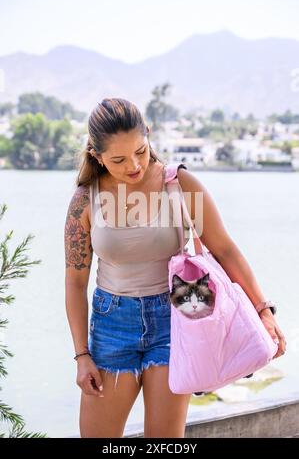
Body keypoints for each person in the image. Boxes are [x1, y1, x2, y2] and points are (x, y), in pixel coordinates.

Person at [64, 97, 286, 438]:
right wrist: (81, 355)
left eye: (140, 150)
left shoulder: (180, 186)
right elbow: (75, 283)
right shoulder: (85, 199)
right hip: (111, 325)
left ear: (148, 134)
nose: (134, 165)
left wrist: (263, 309)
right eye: (119, 159)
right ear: (97, 155)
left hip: (174, 322)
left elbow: (224, 249)